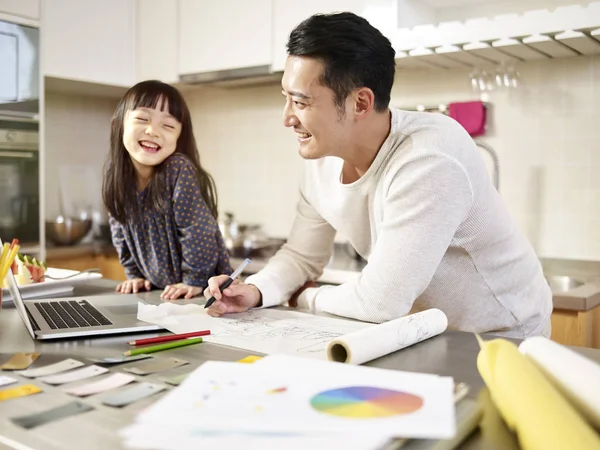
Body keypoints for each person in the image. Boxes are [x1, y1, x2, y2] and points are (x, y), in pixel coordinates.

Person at [203, 13, 552, 338]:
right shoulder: (320, 157)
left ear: (360, 103)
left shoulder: (429, 158)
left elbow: (380, 303)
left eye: (301, 102)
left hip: (504, 332)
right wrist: (255, 290)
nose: (287, 118)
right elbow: (301, 256)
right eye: (286, 98)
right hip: (429, 328)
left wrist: (306, 298)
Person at [103, 80, 232, 300]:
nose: (153, 131)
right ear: (118, 126)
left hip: (205, 291)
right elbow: (120, 232)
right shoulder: (117, 177)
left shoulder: (177, 169)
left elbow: (197, 231)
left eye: (168, 126)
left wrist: (195, 280)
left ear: (178, 137)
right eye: (142, 119)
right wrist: (134, 274)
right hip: (163, 293)